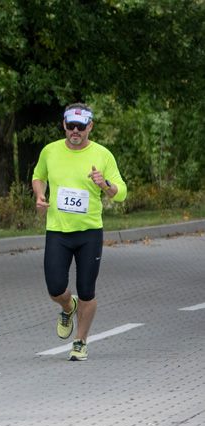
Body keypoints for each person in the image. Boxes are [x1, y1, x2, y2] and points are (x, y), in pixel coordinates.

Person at [32, 103, 127, 361]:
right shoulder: (50, 151)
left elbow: (121, 192)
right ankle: (67, 305)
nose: (75, 131)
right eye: (70, 125)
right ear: (64, 124)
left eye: (81, 126)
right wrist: (40, 195)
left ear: (90, 126)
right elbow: (38, 176)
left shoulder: (103, 155)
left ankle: (80, 342)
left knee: (87, 289)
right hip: (58, 231)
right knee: (55, 288)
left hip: (89, 233)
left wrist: (105, 185)